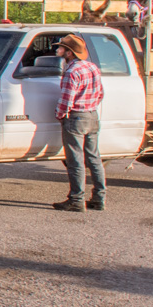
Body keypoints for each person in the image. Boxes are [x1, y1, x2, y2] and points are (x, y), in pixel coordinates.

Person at [52, 33, 106, 212]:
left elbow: (66, 99)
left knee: (75, 161)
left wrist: (60, 115)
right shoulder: (92, 67)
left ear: (69, 53)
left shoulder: (72, 72)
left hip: (76, 117)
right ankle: (99, 198)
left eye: (61, 48)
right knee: (94, 158)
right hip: (92, 115)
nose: (58, 50)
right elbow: (100, 93)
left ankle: (76, 199)